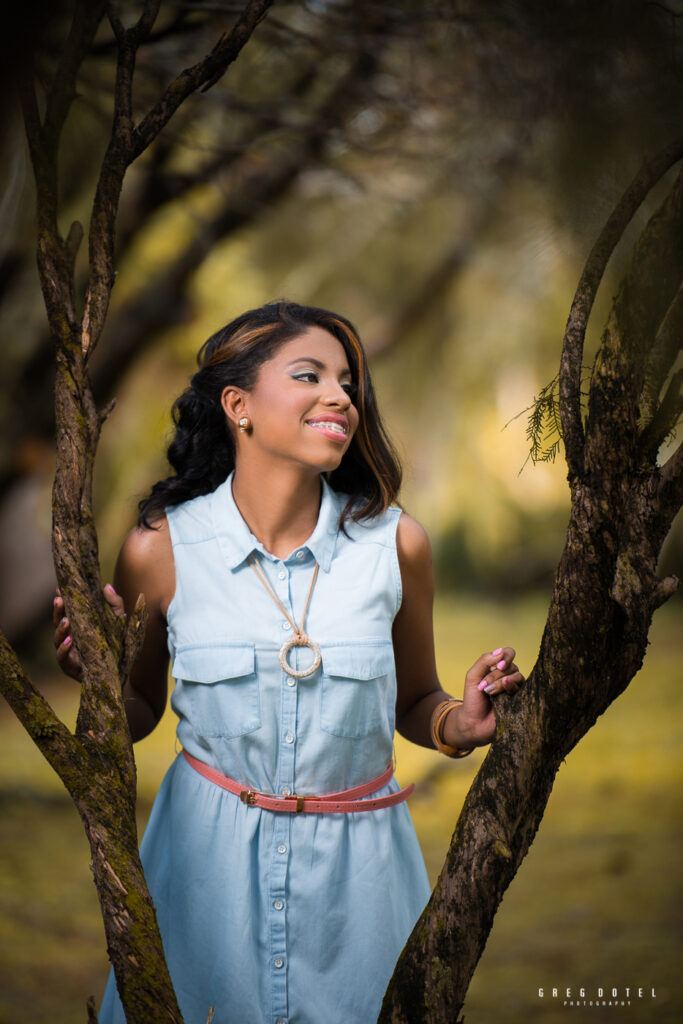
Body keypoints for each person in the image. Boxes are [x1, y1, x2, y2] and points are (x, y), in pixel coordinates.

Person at [53, 300, 524, 1024]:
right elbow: (138, 711)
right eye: (309, 375)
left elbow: (414, 702)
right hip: (202, 877)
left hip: (360, 887)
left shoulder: (396, 547)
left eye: (347, 382)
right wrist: (100, 683)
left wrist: (458, 721)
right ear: (237, 405)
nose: (340, 395)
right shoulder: (161, 549)